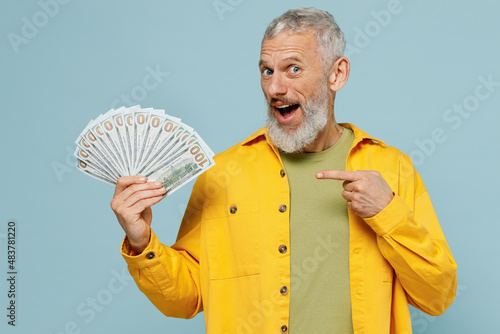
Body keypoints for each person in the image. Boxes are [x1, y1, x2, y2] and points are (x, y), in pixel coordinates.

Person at [111, 7, 457, 334]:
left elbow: (437, 296)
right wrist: (142, 243)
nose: (276, 88)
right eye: (267, 70)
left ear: (337, 74)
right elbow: (186, 300)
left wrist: (388, 213)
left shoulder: (391, 168)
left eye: (293, 69)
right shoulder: (223, 174)